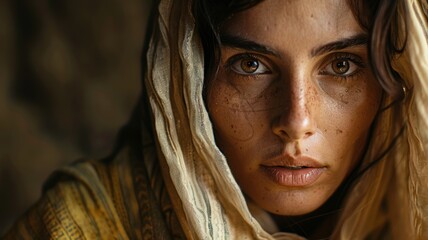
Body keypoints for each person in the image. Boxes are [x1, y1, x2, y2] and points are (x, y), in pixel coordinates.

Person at [4, 0, 428, 239]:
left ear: (398, 72)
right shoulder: (73, 230)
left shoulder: (411, 222)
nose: (296, 121)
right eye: (249, 64)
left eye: (341, 66)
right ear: (187, 76)